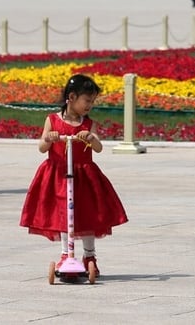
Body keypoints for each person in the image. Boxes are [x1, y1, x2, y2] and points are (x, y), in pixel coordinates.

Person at [20, 75, 127, 276]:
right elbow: (42, 147)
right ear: (72, 97)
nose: (90, 105)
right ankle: (65, 253)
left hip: (84, 175)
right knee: (62, 212)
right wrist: (50, 139)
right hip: (59, 173)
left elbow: (98, 146)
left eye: (92, 102)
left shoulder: (88, 124)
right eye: (87, 101)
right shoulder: (52, 120)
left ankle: (89, 254)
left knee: (87, 214)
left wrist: (90, 137)